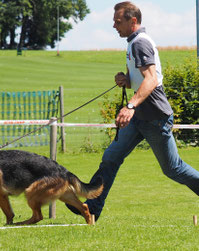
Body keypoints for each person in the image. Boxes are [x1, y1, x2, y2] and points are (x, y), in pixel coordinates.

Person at [66, 1, 199, 222]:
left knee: (173, 169)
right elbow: (139, 81)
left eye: (118, 21)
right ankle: (92, 208)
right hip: (140, 117)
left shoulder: (140, 43)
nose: (114, 26)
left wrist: (130, 106)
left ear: (133, 21)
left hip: (155, 118)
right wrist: (126, 81)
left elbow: (151, 80)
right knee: (111, 158)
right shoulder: (132, 43)